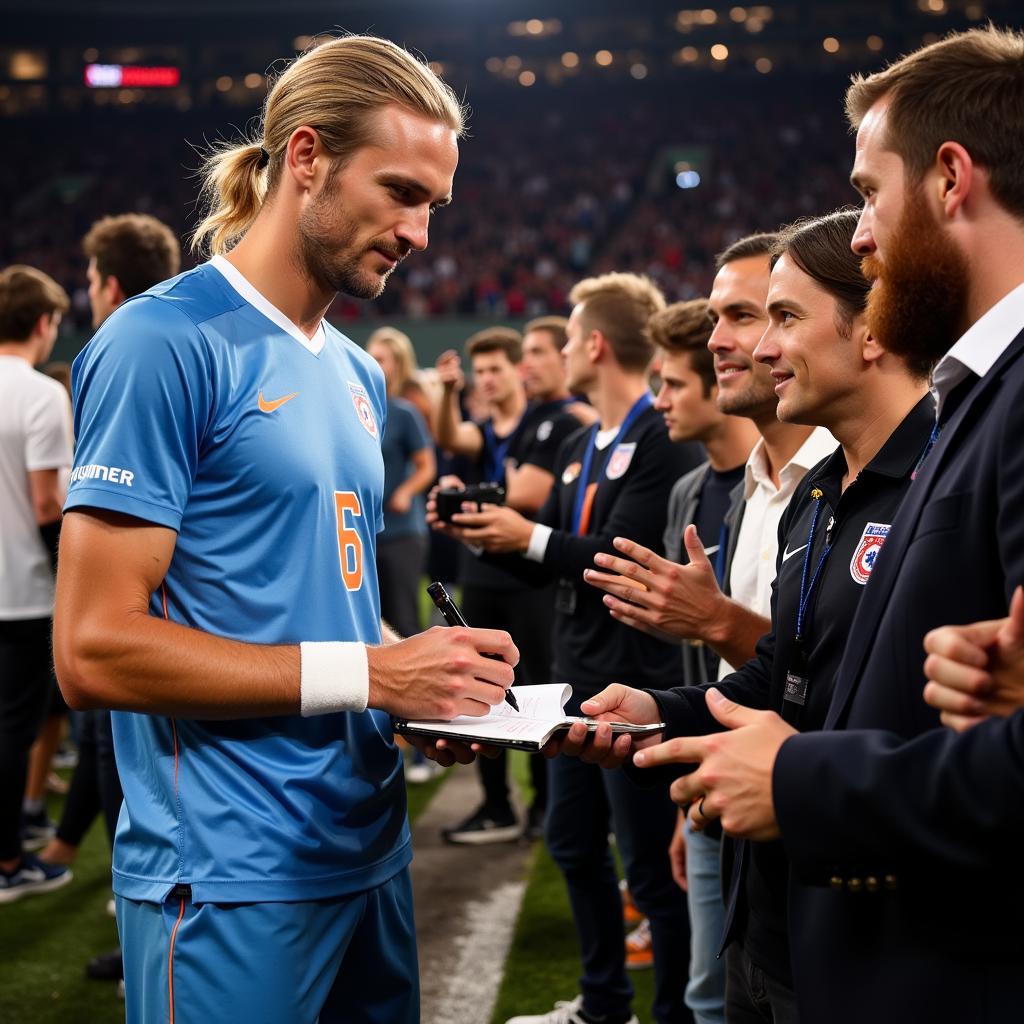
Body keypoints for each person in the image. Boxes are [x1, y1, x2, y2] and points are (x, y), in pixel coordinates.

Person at [53, 35, 519, 1024]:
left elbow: (323, 611)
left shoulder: (357, 372)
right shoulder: (159, 342)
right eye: (398, 191)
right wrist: (374, 676)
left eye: (433, 204)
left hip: (367, 850)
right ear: (303, 156)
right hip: (229, 875)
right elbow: (93, 649)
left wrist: (422, 683)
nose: (420, 233)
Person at [596, 27, 1024, 1024]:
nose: (865, 235)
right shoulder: (967, 399)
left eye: (870, 192)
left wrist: (799, 776)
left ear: (950, 178)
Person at [575, 209, 934, 1021]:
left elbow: (942, 732)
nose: (760, 348)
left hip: (872, 930)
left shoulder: (941, 487)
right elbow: (785, 675)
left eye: (782, 318)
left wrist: (800, 773)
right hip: (765, 910)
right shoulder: (817, 496)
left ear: (871, 328)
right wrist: (659, 713)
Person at [437, 272, 703, 1024]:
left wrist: (533, 537)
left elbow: (621, 553)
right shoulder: (590, 440)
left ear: (592, 344)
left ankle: (675, 1014)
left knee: (651, 872)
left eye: (560, 333)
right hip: (578, 674)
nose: (532, 355)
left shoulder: (660, 436)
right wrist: (480, 533)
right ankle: (602, 1003)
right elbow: (544, 552)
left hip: (641, 680)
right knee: (574, 844)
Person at [38, 212, 182, 984]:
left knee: (117, 746)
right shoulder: (182, 341)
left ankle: (143, 931)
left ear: (109, 283)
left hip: (147, 642)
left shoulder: (131, 348)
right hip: (150, 635)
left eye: (91, 280)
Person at [641, 297, 760, 1015]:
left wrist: (712, 620)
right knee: (709, 991)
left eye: (674, 384)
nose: (660, 402)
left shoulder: (793, 482)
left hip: (779, 770)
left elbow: (797, 653)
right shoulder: (690, 491)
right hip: (710, 765)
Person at [433, 326, 580, 842]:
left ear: (517, 370)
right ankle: (496, 804)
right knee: (479, 693)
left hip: (530, 578)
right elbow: (452, 437)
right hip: (483, 576)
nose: (487, 379)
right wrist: (449, 392)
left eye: (497, 368)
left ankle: (543, 806)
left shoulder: (551, 421)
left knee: (536, 690)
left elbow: (530, 493)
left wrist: (468, 498)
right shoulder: (485, 428)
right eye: (482, 371)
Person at [0, 265, 75, 903]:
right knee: (13, 728)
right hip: (22, 587)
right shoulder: (38, 392)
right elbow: (48, 503)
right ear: (44, 323)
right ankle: (7, 861)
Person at [366, 327, 436, 640]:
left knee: (403, 619)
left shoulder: (404, 412)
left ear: (398, 364)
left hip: (401, 531)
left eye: (382, 358)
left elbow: (426, 465)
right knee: (369, 622)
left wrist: (406, 492)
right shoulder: (358, 406)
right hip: (364, 531)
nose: (373, 362)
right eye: (370, 355)